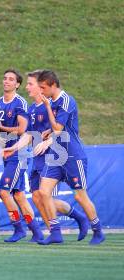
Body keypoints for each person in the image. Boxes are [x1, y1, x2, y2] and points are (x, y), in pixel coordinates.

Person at [1, 70, 89, 242]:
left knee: (43, 196)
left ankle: (72, 221)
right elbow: (29, 134)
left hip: (53, 157)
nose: (27, 87)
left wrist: (47, 143)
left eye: (30, 84)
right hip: (38, 158)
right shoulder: (33, 108)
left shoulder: (53, 106)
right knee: (36, 197)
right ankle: (58, 230)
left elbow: (59, 131)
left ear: (41, 88)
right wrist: (14, 147)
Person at [36, 70, 105, 245]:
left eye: (43, 87)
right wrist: (49, 132)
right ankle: (55, 232)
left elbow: (59, 128)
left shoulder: (67, 100)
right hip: (56, 155)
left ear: (53, 85)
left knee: (80, 196)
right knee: (43, 192)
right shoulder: (52, 100)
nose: (41, 91)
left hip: (73, 156)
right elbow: (57, 129)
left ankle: (97, 230)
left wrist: (48, 109)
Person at [0, 69, 42, 242]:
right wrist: (0, 141)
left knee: (3, 191)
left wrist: (3, 129)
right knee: (18, 195)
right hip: (7, 153)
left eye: (11, 79)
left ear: (17, 84)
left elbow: (23, 130)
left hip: (20, 153)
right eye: (5, 78)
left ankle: (18, 228)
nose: (6, 81)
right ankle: (37, 232)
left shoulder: (20, 103)